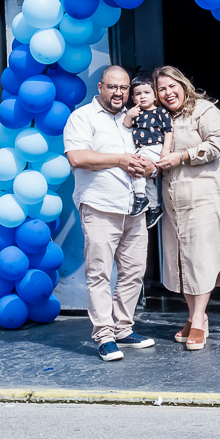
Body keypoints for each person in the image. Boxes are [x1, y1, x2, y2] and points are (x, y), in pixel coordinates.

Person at [63, 65, 158, 361]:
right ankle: (104, 334)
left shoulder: (135, 119)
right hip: (100, 205)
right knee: (100, 272)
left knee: (133, 272)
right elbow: (77, 158)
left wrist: (150, 167)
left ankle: (123, 329)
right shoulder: (82, 118)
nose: (119, 93)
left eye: (124, 88)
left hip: (134, 207)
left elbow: (150, 154)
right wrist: (119, 159)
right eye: (113, 87)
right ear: (101, 87)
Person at [154, 65, 220, 352]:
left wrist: (182, 156)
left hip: (204, 194)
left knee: (201, 257)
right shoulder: (160, 117)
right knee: (181, 259)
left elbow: (218, 145)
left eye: (171, 86)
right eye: (161, 89)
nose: (167, 93)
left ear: (183, 84)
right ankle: (194, 317)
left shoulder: (204, 110)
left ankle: (199, 322)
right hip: (173, 198)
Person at [123, 72, 173, 229]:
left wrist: (165, 150)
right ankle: (153, 207)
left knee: (137, 166)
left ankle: (140, 198)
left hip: (155, 147)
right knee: (148, 180)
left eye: (147, 92)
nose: (142, 97)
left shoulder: (160, 112)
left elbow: (168, 131)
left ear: (155, 95)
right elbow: (126, 126)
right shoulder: (136, 113)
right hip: (142, 148)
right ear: (133, 98)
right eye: (138, 94)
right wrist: (129, 115)